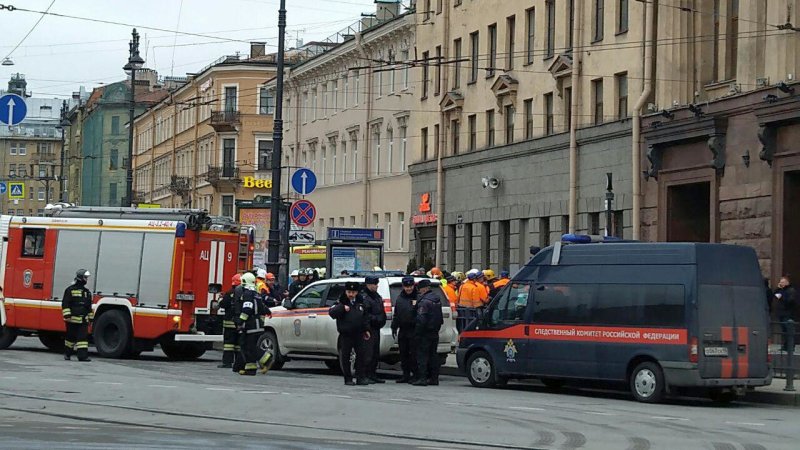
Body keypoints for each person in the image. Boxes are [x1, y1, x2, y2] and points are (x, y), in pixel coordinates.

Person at [328, 281, 371, 386]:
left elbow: (365, 317)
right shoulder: (341, 301)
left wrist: (366, 329)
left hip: (359, 333)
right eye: (349, 292)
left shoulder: (361, 302)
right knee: (346, 357)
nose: (351, 294)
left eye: (353, 292)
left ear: (357, 292)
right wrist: (342, 308)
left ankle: (361, 377)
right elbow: (332, 313)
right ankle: (348, 378)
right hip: (346, 334)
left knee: (361, 355)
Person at [234, 272, 273, 375]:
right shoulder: (256, 293)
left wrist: (240, 321)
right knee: (248, 346)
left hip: (251, 324)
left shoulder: (247, 294)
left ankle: (267, 358)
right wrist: (268, 311)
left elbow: (247, 309)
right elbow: (262, 307)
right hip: (257, 324)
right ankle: (250, 369)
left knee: (249, 347)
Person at [412, 279, 444, 386]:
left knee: (422, 356)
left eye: (420, 289)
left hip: (424, 333)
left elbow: (421, 319)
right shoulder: (436, 299)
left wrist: (417, 332)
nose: (419, 291)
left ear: (423, 289)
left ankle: (422, 378)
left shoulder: (424, 302)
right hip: (434, 331)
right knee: (433, 355)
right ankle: (434, 378)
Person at [62, 269, 94, 362]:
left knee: (83, 339)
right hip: (72, 320)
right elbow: (65, 303)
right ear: (80, 278)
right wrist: (67, 315)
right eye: (85, 277)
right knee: (70, 338)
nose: (86, 280)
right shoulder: (70, 290)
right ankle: (67, 353)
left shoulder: (87, 292)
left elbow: (89, 307)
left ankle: (82, 356)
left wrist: (91, 318)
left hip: (83, 320)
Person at [391, 276, 418, 383]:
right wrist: (394, 326)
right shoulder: (400, 298)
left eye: (410, 286)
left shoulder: (418, 297)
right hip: (403, 329)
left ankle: (415, 375)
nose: (409, 289)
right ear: (403, 287)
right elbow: (397, 314)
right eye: (406, 287)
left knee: (414, 354)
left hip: (414, 330)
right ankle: (405, 375)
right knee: (403, 354)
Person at [362, 276, 387, 384]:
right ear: (368, 285)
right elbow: (364, 315)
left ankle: (372, 374)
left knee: (375, 353)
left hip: (376, 328)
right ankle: (365, 374)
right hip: (368, 329)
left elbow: (381, 310)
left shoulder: (376, 297)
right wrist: (375, 319)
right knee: (367, 353)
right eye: (375, 284)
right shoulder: (364, 297)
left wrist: (382, 319)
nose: (377, 286)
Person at [217, 273, 242, 368]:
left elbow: (223, 304)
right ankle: (239, 363)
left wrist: (220, 299)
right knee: (239, 345)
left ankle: (227, 362)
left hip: (229, 323)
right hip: (240, 323)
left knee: (228, 344)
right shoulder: (244, 293)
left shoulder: (230, 293)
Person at [774, 275, 798, 351]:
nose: (781, 283)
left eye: (783, 282)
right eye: (780, 282)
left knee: (788, 330)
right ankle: (786, 345)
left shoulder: (791, 290)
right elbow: (775, 294)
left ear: (787, 282)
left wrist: (782, 298)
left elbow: (790, 301)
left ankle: (790, 346)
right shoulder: (782, 290)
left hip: (788, 313)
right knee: (784, 330)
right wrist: (778, 288)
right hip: (782, 313)